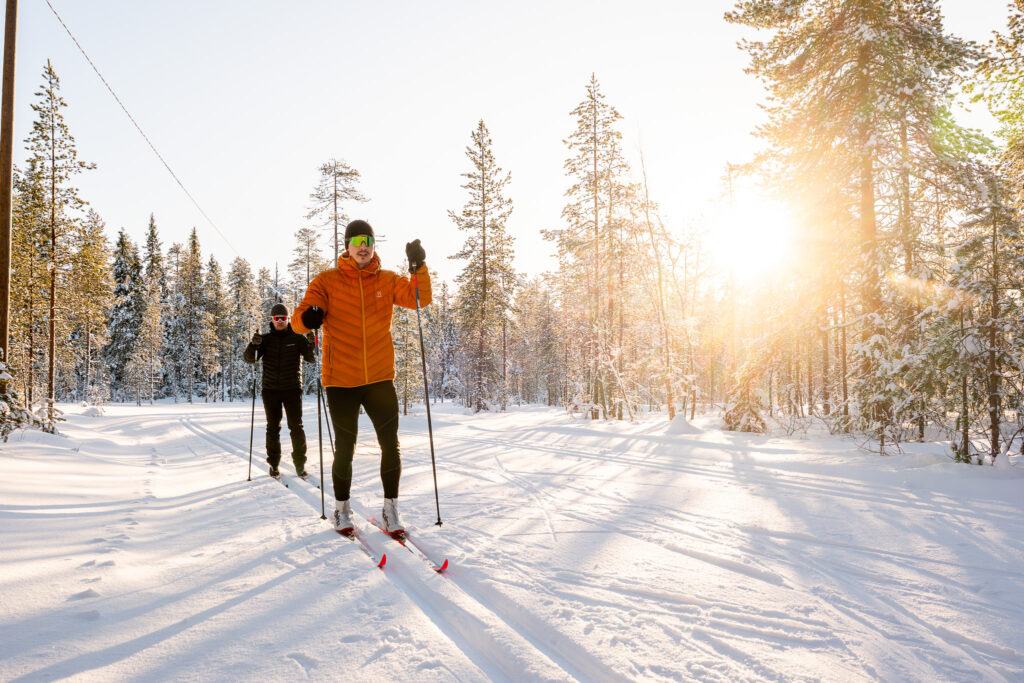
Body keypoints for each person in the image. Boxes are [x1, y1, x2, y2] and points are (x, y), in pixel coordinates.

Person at [292, 219, 430, 538]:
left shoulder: (387, 279)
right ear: (347, 246)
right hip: (341, 380)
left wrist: (418, 265)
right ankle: (341, 508)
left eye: (367, 239)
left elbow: (418, 299)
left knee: (390, 445)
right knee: (345, 448)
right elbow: (300, 319)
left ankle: (390, 509)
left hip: (379, 378)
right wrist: (307, 319)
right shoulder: (326, 281)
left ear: (373, 244)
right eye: (356, 240)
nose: (363, 245)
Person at [243, 303, 315, 478]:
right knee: (273, 428)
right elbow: (249, 359)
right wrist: (253, 345)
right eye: (277, 318)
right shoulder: (265, 340)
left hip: (292, 389)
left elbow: (311, 359)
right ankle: (274, 465)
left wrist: (312, 344)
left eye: (283, 318)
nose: (280, 321)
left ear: (288, 319)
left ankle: (300, 465)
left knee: (296, 427)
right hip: (271, 390)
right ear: (272, 320)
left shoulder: (297, 338)